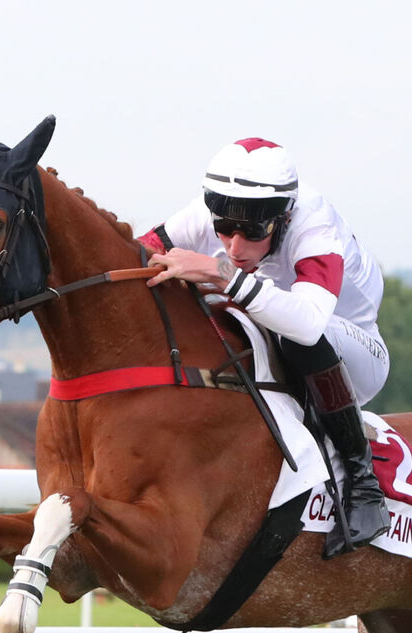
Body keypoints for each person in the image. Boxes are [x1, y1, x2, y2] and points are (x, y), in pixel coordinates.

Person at [141, 137, 391, 557]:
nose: (235, 247)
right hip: (287, 336)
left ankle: (363, 483)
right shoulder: (219, 208)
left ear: (284, 216)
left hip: (353, 354)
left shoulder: (314, 226)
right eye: (224, 229)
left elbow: (309, 324)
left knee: (284, 323)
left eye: (253, 232)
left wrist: (218, 271)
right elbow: (137, 252)